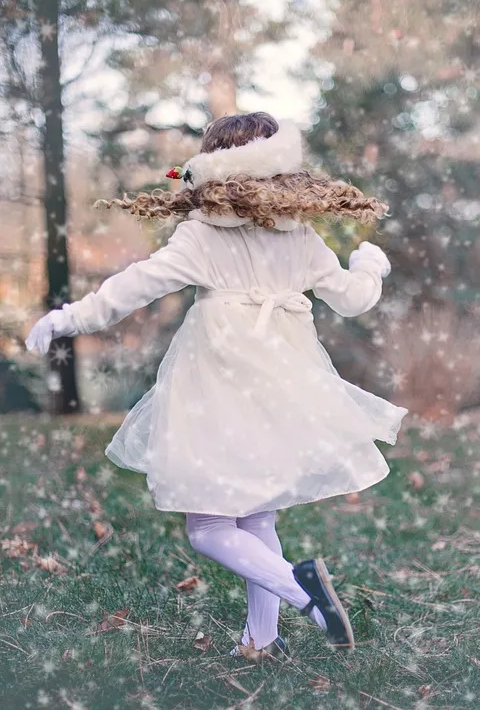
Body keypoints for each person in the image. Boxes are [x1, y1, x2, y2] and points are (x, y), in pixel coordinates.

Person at [25, 111, 409, 662]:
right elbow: (353, 299)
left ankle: (305, 593)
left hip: (217, 383)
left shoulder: (203, 235)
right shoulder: (300, 237)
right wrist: (370, 264)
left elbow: (131, 288)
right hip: (286, 378)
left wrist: (68, 318)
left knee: (207, 525)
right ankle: (261, 639)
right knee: (256, 514)